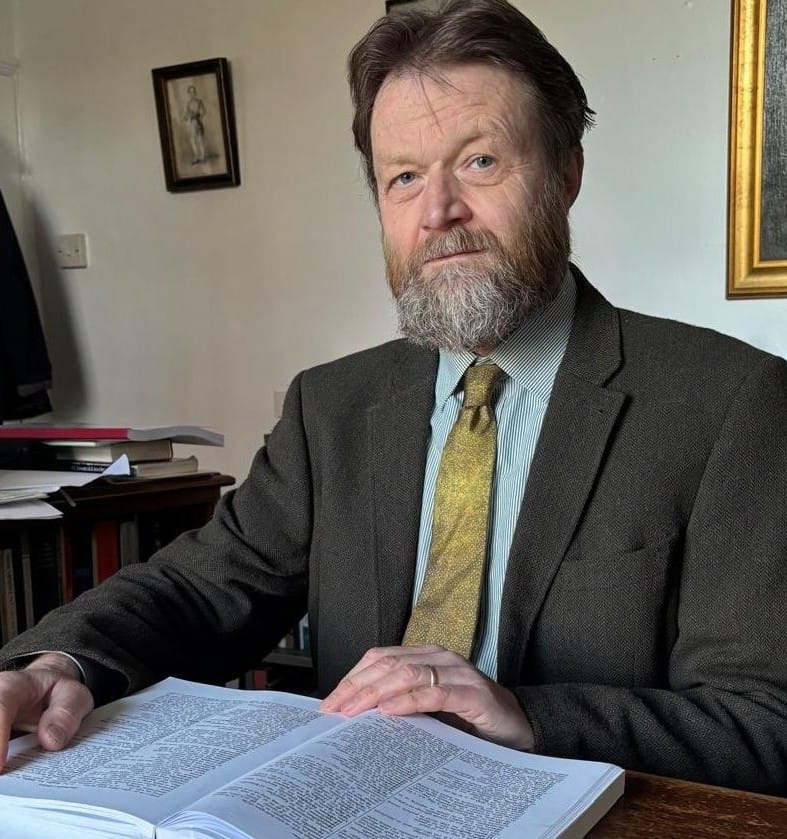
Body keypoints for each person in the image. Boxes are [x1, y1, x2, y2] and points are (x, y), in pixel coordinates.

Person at [1, 0, 786, 795]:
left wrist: (526, 714)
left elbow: (764, 721)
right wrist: (57, 663)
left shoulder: (730, 404)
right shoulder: (331, 406)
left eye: (480, 161)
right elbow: (199, 590)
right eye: (403, 177)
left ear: (565, 174)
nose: (437, 212)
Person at [183, 84, 206, 164]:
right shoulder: (188, 103)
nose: (192, 94)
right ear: (188, 94)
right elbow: (185, 114)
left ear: (195, 93)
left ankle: (202, 157)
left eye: (193, 92)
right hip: (192, 123)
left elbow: (203, 111)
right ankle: (196, 156)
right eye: (190, 92)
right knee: (192, 140)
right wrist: (187, 117)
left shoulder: (199, 101)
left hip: (198, 122)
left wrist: (199, 116)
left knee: (200, 139)